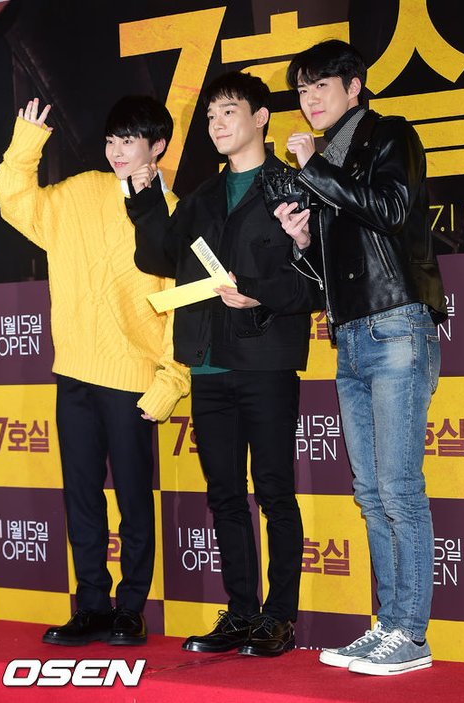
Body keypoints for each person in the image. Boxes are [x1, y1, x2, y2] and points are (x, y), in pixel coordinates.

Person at [125, 71, 323, 657]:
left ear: (261, 117)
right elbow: (158, 258)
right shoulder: (201, 197)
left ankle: (279, 618)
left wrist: (259, 293)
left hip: (265, 361)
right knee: (225, 495)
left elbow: (316, 283)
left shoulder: (294, 186)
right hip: (208, 365)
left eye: (228, 112)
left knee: (274, 492)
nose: (216, 124)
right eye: (210, 116)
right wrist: (146, 200)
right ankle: (240, 613)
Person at [274, 39, 447, 675]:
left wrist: (315, 171)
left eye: (321, 85)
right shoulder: (329, 166)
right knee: (371, 492)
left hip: (396, 323)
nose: (310, 99)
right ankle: (389, 624)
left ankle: (412, 634)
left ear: (355, 86)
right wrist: (303, 242)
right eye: (302, 89)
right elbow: (336, 270)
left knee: (399, 488)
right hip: (348, 334)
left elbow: (393, 211)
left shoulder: (387, 135)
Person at [0, 95, 190, 646]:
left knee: (133, 500)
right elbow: (16, 202)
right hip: (74, 375)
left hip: (134, 380)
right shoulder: (80, 191)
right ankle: (91, 606)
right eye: (111, 140)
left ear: (157, 146)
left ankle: (130, 609)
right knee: (81, 497)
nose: (117, 151)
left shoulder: (173, 211)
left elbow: (185, 305)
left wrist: (170, 381)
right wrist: (27, 142)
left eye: (129, 141)